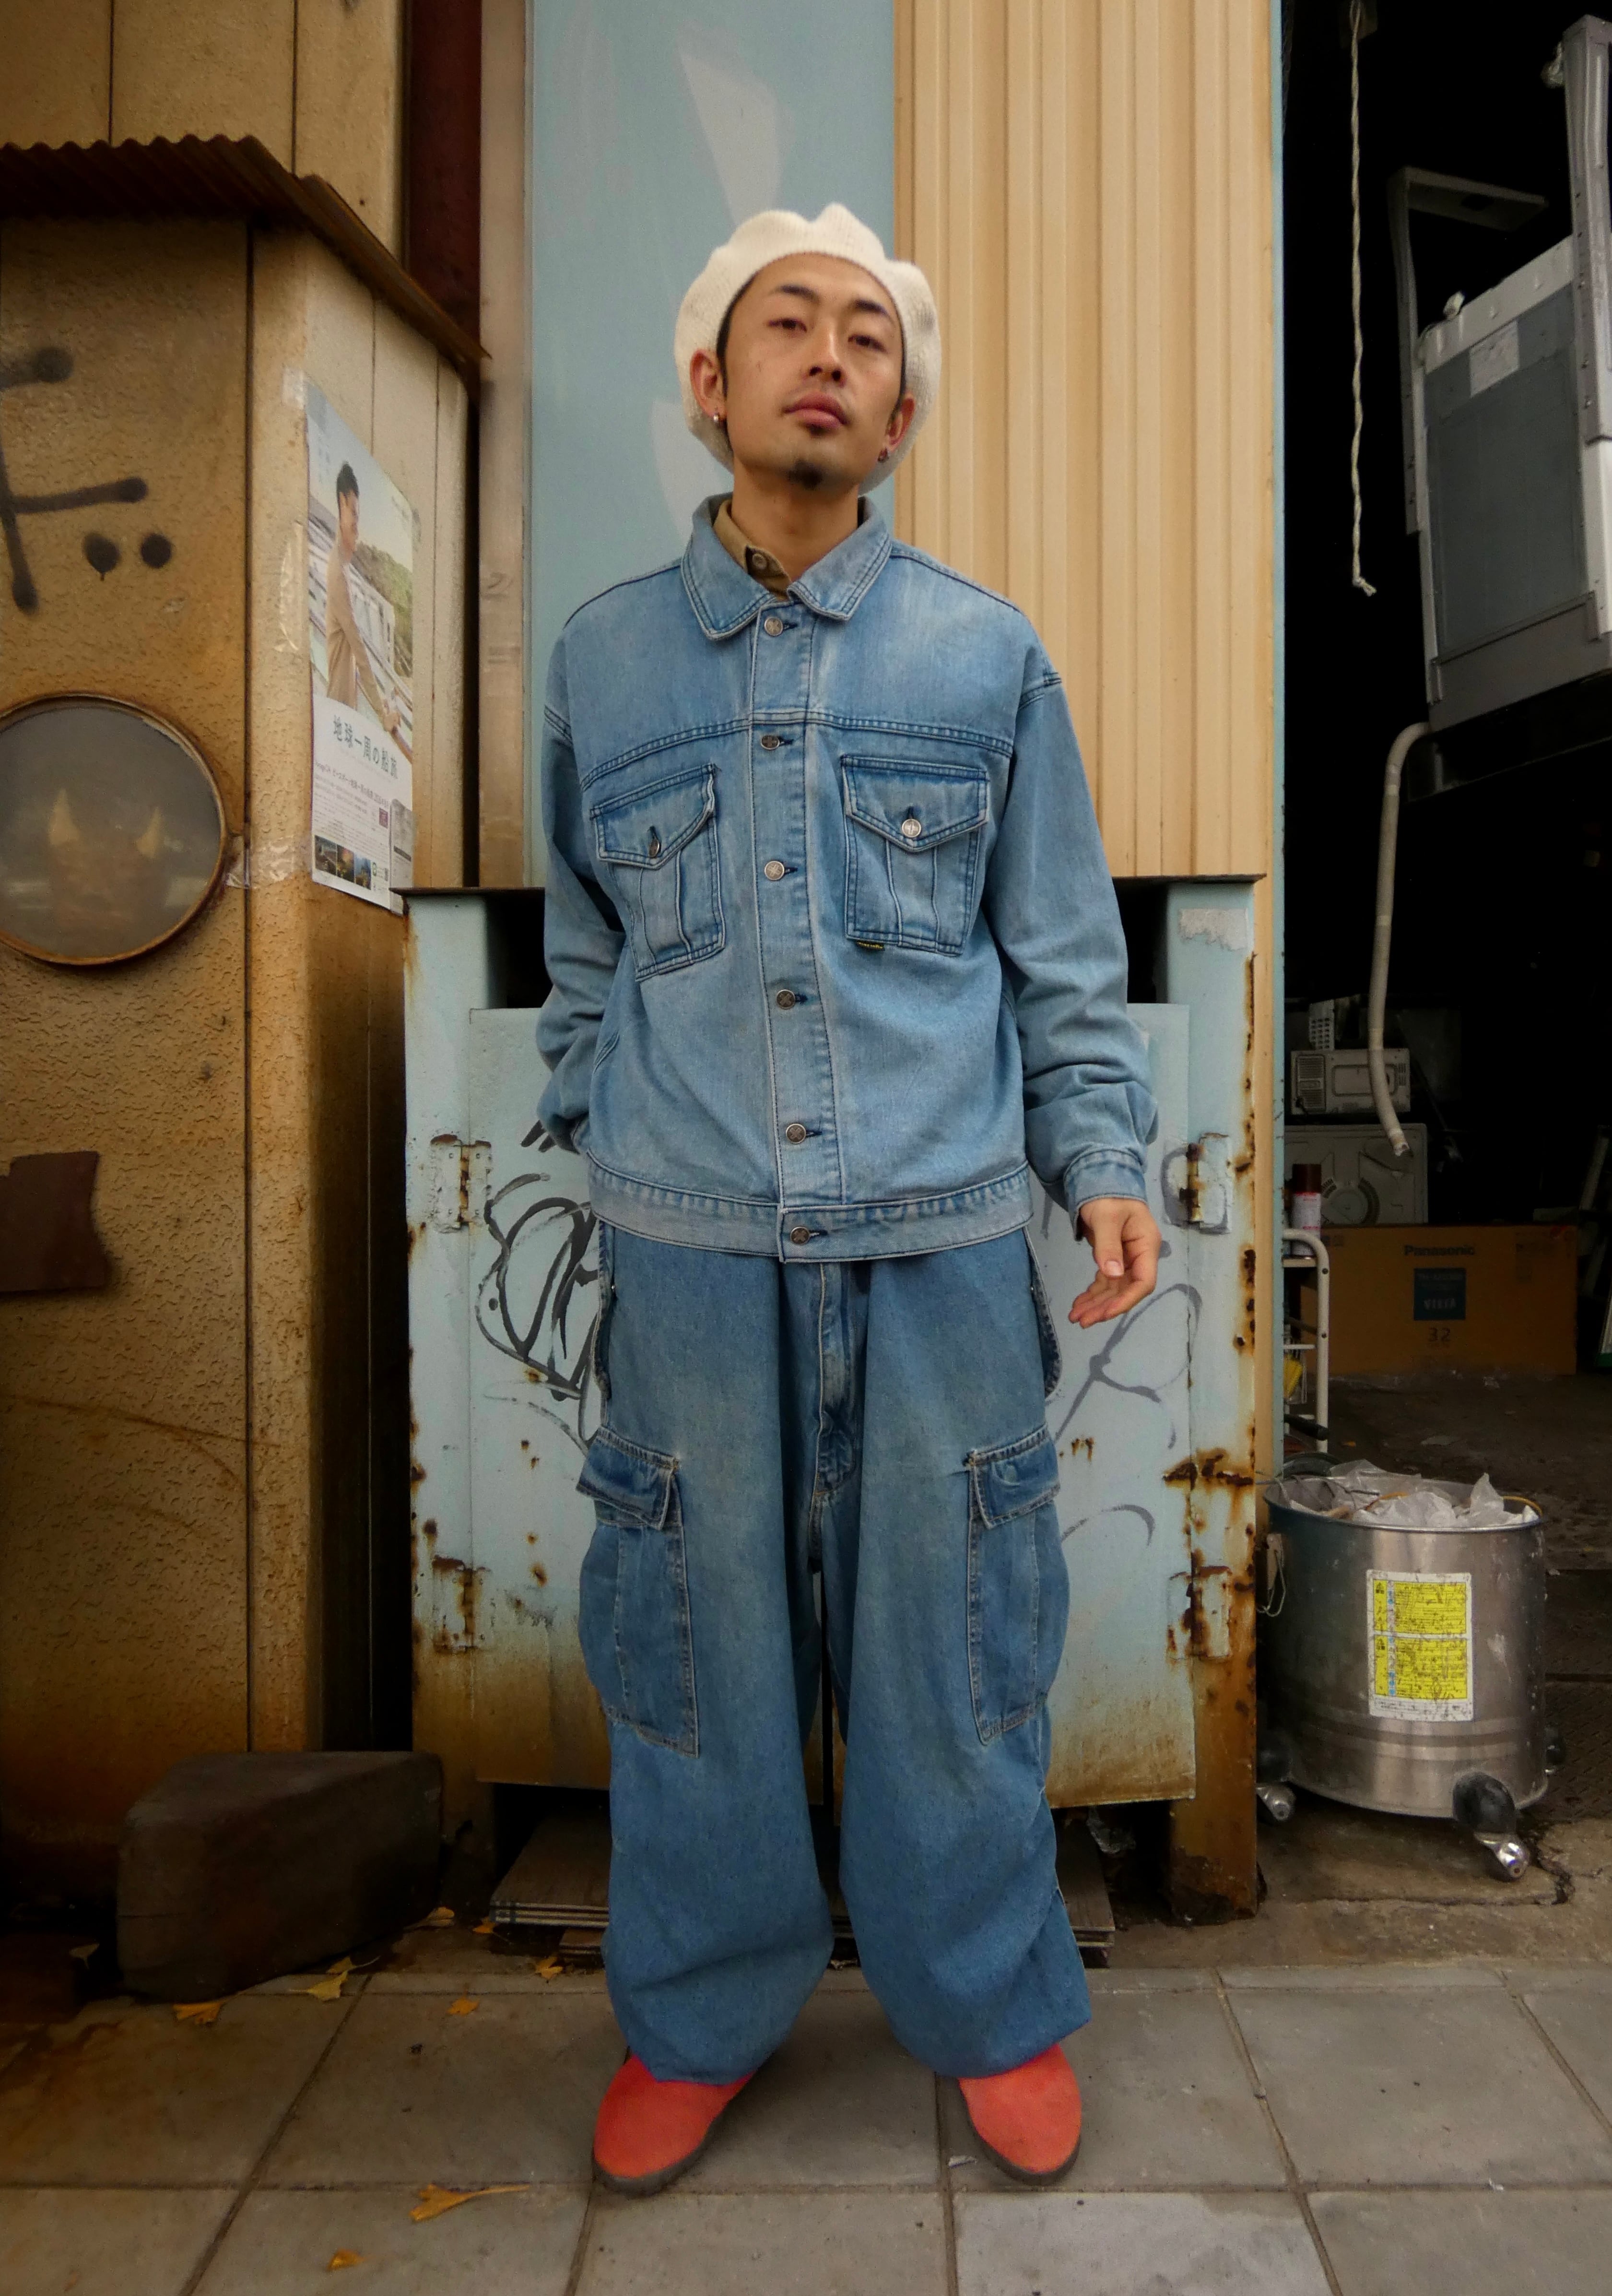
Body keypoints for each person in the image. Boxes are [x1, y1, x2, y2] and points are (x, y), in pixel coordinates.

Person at [538, 204, 1160, 2195]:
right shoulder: (604, 657)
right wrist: (605, 1120)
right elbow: (581, 955)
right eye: (786, 324)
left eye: (869, 339)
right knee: (692, 1651)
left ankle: (986, 1999)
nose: (829, 354)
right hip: (690, 1245)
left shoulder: (986, 657)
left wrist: (1102, 1159)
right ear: (708, 382)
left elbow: (1061, 953)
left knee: (960, 1638)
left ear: (900, 416)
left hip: (943, 1235)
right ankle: (697, 2014)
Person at [324, 462, 400, 734]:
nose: (357, 525)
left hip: (342, 706)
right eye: (354, 514)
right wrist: (383, 714)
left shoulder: (340, 565)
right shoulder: (338, 574)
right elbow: (359, 649)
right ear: (342, 503)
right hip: (339, 709)